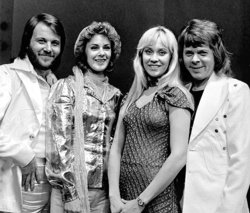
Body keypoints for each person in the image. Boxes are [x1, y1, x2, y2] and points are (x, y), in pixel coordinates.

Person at [108, 26, 194, 213]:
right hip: (123, 199)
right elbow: (116, 149)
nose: (154, 58)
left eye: (161, 52)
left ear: (171, 57)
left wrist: (140, 202)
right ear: (140, 56)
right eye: (148, 51)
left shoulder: (175, 95)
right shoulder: (130, 97)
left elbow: (179, 155)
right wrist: (113, 195)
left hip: (157, 202)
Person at [45, 21, 123, 213]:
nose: (101, 53)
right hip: (70, 190)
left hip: (104, 193)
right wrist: (70, 194)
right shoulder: (67, 87)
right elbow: (58, 144)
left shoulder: (117, 95)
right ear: (84, 52)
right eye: (94, 47)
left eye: (106, 47)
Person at [178, 19, 250, 213]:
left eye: (202, 53)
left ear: (215, 54)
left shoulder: (234, 90)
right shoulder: (180, 93)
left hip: (217, 204)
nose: (195, 60)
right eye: (189, 53)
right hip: (181, 203)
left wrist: (227, 209)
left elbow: (240, 160)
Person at [0, 13, 66, 213]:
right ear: (27, 42)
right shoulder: (6, 74)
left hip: (47, 193)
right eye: (41, 41)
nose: (48, 48)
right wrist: (24, 155)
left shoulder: (57, 85)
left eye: (55, 43)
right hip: (12, 185)